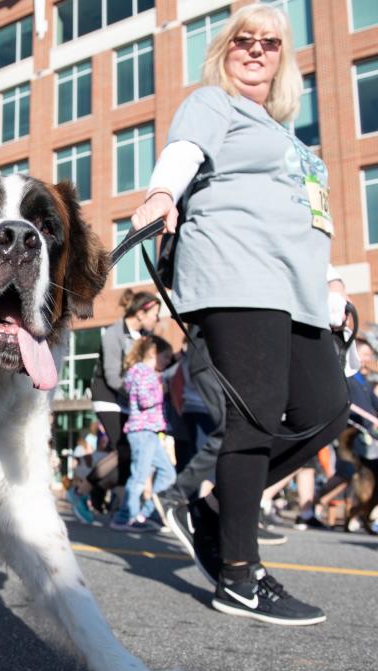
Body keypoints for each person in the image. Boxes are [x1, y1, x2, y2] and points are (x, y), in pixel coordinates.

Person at [130, 4, 348, 625]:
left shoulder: (291, 139)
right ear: (225, 50)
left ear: (283, 58)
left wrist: (332, 283)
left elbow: (310, 216)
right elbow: (183, 152)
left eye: (270, 43)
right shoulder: (212, 103)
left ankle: (215, 508)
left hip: (297, 290)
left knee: (326, 409)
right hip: (235, 273)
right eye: (243, 41)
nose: (256, 50)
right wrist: (161, 193)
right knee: (254, 419)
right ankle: (239, 577)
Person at [89, 289, 161, 512]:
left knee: (126, 452)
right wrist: (139, 392)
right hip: (107, 397)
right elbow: (112, 377)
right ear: (141, 313)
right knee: (125, 449)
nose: (157, 319)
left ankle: (103, 492)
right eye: (155, 314)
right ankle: (89, 489)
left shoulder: (142, 338)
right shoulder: (114, 333)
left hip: (127, 400)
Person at [111, 336, 176, 532]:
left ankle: (146, 513)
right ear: (152, 353)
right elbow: (144, 400)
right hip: (142, 431)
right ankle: (125, 517)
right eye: (165, 357)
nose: (167, 362)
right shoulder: (141, 371)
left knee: (168, 473)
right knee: (139, 476)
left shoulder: (147, 373)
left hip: (150, 431)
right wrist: (160, 389)